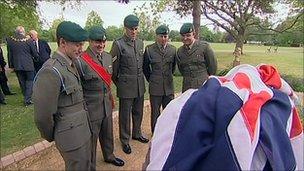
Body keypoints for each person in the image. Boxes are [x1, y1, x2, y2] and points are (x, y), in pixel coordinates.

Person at [33, 21, 91, 171]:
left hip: (82, 131)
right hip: (70, 137)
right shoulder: (51, 71)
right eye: (77, 45)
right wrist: (55, 134)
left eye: (82, 44)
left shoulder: (71, 64)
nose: (81, 49)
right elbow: (42, 116)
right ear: (63, 42)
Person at [75, 26, 124, 169]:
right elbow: (78, 87)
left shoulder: (108, 56)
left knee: (107, 133)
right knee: (91, 139)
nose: (101, 45)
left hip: (106, 103)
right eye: (97, 42)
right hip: (91, 107)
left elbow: (109, 79)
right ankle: (91, 166)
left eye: (103, 42)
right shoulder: (81, 60)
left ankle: (109, 156)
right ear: (90, 41)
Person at [110, 14, 149, 154]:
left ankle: (137, 133)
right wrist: (121, 84)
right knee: (125, 115)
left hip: (139, 84)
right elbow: (113, 71)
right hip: (126, 86)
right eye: (131, 29)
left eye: (136, 28)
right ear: (125, 28)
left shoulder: (140, 43)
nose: (133, 31)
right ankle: (125, 140)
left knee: (138, 111)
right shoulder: (118, 44)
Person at [143, 25, 176, 133]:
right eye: (161, 36)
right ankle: (155, 134)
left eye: (165, 36)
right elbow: (145, 68)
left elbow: (173, 67)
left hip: (168, 87)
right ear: (156, 36)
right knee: (155, 113)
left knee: (169, 112)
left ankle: (167, 133)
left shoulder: (173, 50)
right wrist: (152, 79)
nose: (163, 39)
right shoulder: (149, 49)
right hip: (155, 87)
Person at [177, 23, 217, 92]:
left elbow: (213, 67)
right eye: (183, 36)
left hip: (202, 86)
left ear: (194, 34)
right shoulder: (180, 51)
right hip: (187, 87)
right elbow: (181, 69)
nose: (185, 38)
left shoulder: (204, 47)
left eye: (188, 35)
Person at [6, 26, 38, 106]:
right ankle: (27, 99)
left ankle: (26, 98)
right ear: (23, 32)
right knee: (30, 81)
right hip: (28, 64)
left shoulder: (10, 41)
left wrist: (11, 65)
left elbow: (9, 54)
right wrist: (36, 58)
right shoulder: (29, 40)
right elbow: (34, 53)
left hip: (17, 65)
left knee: (22, 82)